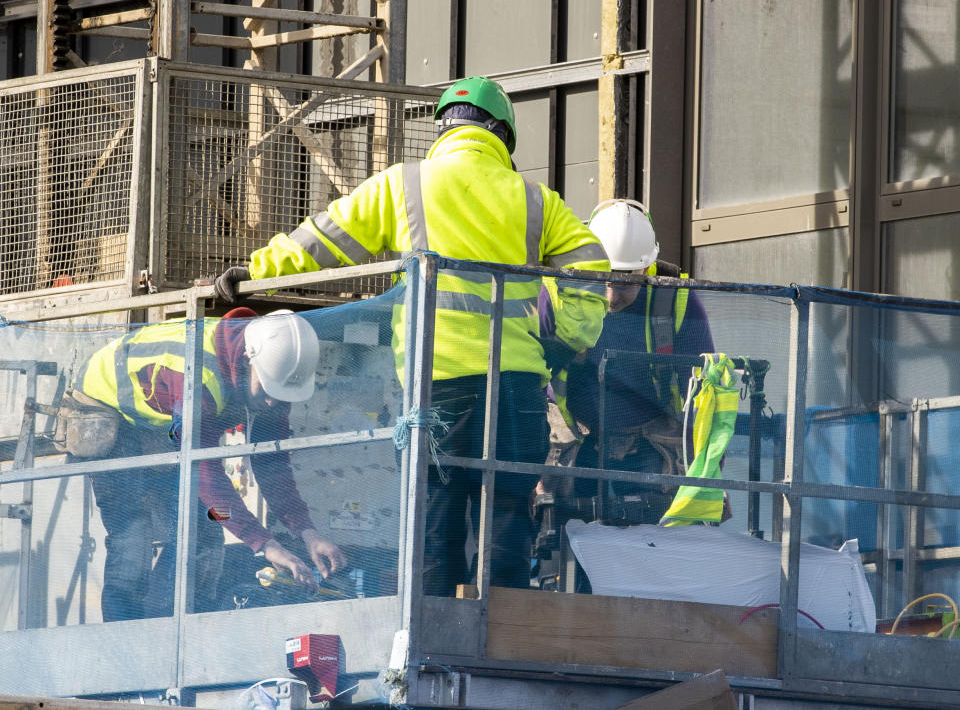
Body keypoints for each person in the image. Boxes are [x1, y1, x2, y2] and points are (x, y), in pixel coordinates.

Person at [212, 76, 609, 595]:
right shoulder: (536, 199)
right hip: (516, 386)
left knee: (434, 522)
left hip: (435, 384)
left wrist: (255, 272)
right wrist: (558, 341)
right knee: (508, 516)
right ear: (503, 136)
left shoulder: (405, 184)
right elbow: (594, 276)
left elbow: (323, 240)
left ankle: (432, 644)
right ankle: (502, 633)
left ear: (442, 128)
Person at [59, 308, 346, 621]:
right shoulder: (198, 376)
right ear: (249, 361)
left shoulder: (273, 380)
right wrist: (264, 544)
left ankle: (179, 626)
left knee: (208, 526)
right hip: (110, 415)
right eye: (266, 391)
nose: (271, 403)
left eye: (281, 395)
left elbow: (272, 463)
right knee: (133, 539)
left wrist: (306, 531)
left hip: (165, 425)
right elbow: (205, 475)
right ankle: (127, 638)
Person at [537, 199, 715, 526]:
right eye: (604, 281)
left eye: (625, 284)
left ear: (646, 269)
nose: (610, 297)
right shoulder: (558, 293)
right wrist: (530, 466)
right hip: (575, 442)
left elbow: (705, 398)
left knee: (652, 547)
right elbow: (529, 378)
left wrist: (709, 480)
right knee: (563, 541)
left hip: (650, 448)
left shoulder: (675, 301)